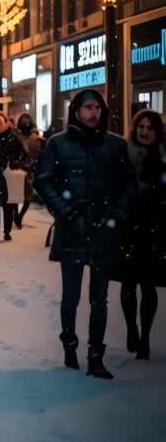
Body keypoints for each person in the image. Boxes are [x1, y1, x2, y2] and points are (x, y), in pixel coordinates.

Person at [36, 88, 135, 379]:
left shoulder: (116, 146)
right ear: (77, 111)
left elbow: (129, 184)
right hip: (73, 229)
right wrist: (65, 212)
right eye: (88, 107)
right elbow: (44, 181)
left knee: (100, 299)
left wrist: (116, 214)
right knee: (70, 296)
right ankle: (70, 344)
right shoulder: (58, 144)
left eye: (98, 108)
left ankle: (96, 355)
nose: (94, 113)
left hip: (104, 231)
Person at [117, 109, 166, 360]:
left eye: (150, 128)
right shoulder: (124, 156)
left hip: (153, 230)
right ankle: (131, 329)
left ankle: (145, 337)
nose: (145, 132)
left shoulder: (162, 158)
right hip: (128, 228)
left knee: (148, 285)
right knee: (128, 283)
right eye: (141, 127)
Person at [0, 111, 25, 240]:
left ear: (6, 122)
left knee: (8, 206)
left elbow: (23, 153)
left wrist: (15, 162)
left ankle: (7, 232)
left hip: (8, 176)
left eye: (0, 122)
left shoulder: (13, 137)